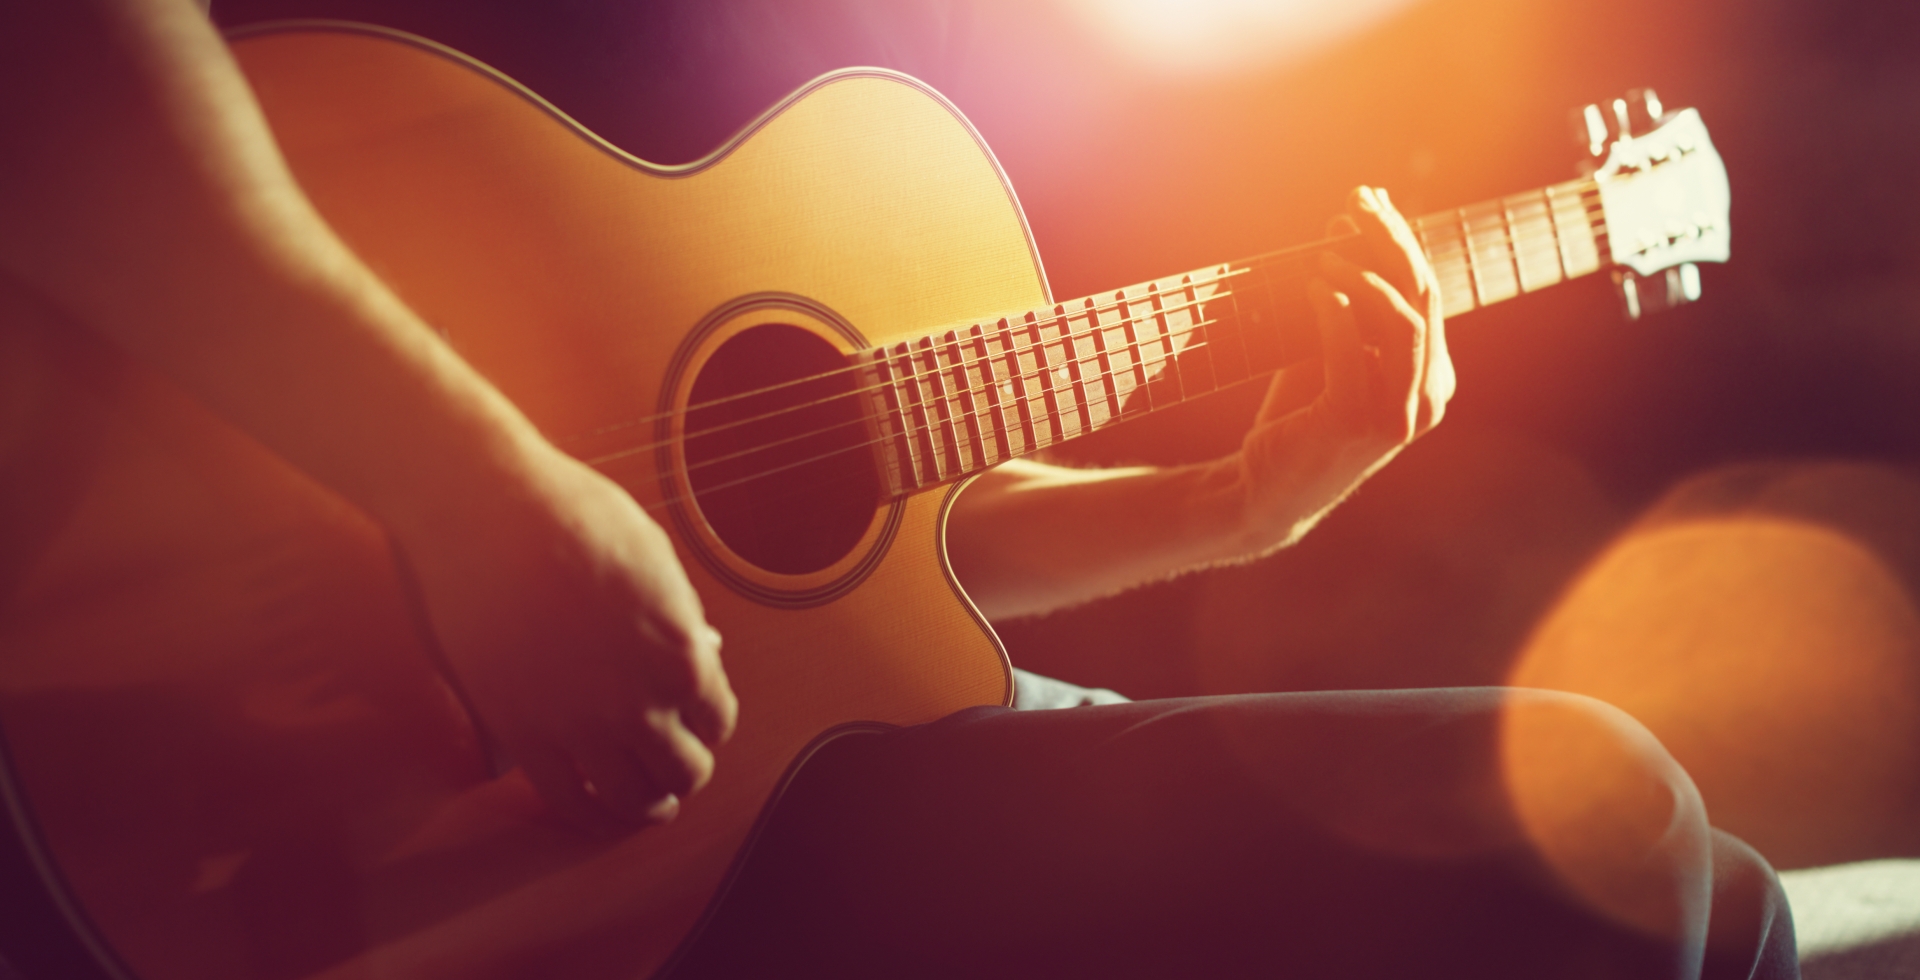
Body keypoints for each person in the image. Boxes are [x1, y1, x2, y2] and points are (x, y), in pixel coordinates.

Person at [0, 0, 1796, 977]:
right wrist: (461, 491)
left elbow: (826, 574)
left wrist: (1231, 506)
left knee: (1694, 884)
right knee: (1615, 837)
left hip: (681, 815)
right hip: (222, 692)